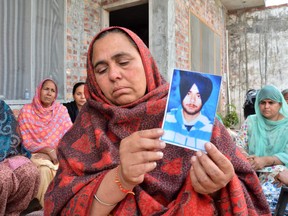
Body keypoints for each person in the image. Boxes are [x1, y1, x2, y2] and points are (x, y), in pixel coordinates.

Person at [44, 26, 270, 215]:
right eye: (101, 69)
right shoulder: (86, 130)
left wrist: (221, 184)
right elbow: (62, 205)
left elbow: (248, 189)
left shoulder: (195, 115)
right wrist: (120, 178)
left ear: (146, 62)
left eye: (123, 62)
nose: (114, 74)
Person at [18, 78, 72, 207]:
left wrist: (56, 153)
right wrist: (47, 150)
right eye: (46, 89)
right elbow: (25, 141)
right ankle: (47, 209)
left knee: (64, 168)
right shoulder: (27, 111)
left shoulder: (61, 111)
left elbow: (70, 137)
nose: (49, 93)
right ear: (39, 90)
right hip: (34, 154)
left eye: (53, 91)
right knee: (44, 169)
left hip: (59, 154)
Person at [236, 85, 288, 213]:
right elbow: (238, 145)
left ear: (280, 104)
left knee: (280, 175)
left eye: (271, 102)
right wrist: (247, 158)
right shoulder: (251, 121)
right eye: (262, 102)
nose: (266, 106)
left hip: (276, 172)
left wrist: (265, 160)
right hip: (249, 167)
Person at [0, 99, 40, 215]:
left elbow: (11, 133)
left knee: (30, 172)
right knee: (3, 177)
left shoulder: (1, 106)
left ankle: (13, 213)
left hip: (7, 153)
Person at [161, 71, 214, 150]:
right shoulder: (165, 119)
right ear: (183, 93)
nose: (192, 100)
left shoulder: (210, 128)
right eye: (188, 94)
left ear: (204, 99)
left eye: (198, 96)